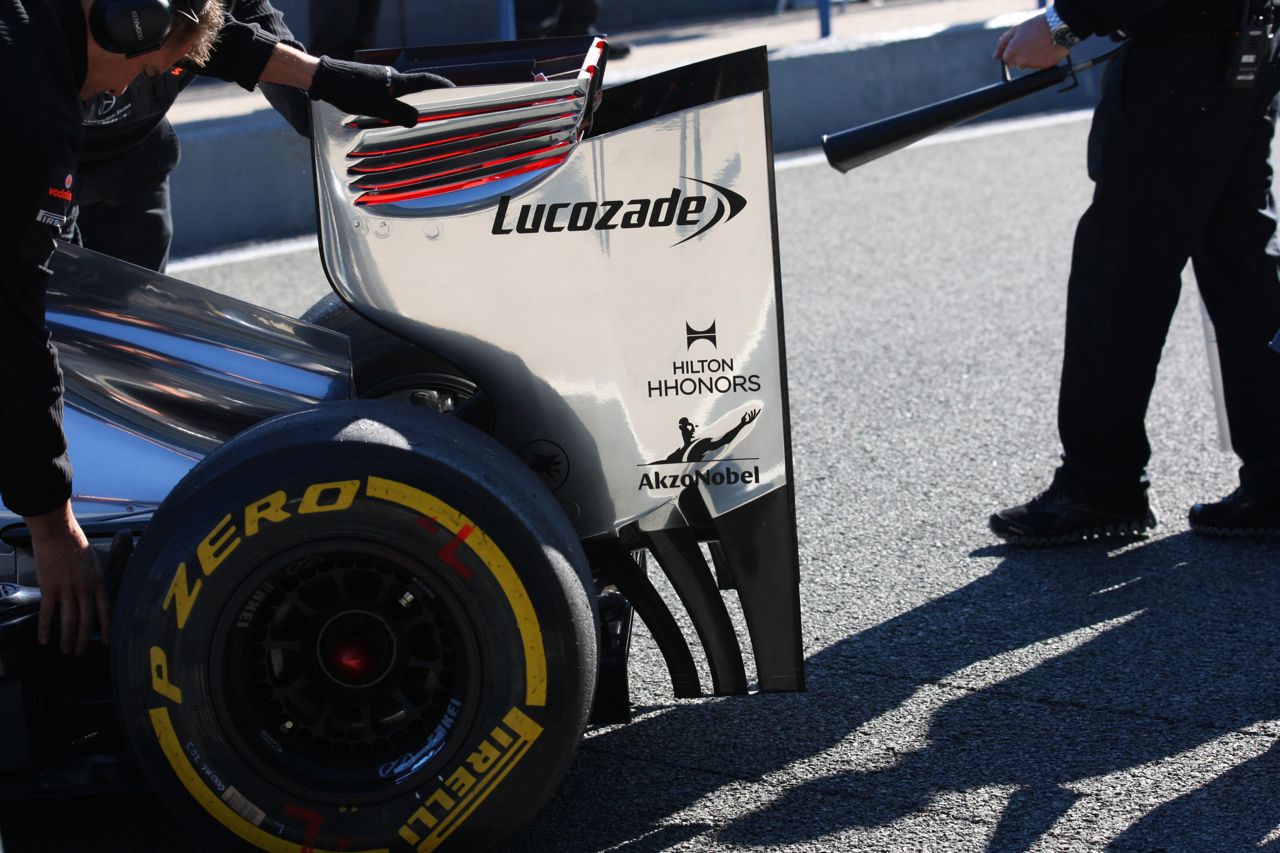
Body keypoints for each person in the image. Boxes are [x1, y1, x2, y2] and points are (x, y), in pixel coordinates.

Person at [0, 0, 451, 655]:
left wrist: (338, 83)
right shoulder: (28, 111)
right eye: (143, 70)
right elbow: (15, 335)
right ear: (125, 24)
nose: (131, 88)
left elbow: (220, 38)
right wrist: (52, 528)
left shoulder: (88, 19)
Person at [987, 1, 1280, 545]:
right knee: (1244, 267)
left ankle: (1099, 488)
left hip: (1182, 60)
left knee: (1120, 273)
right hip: (1242, 40)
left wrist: (1065, 22)